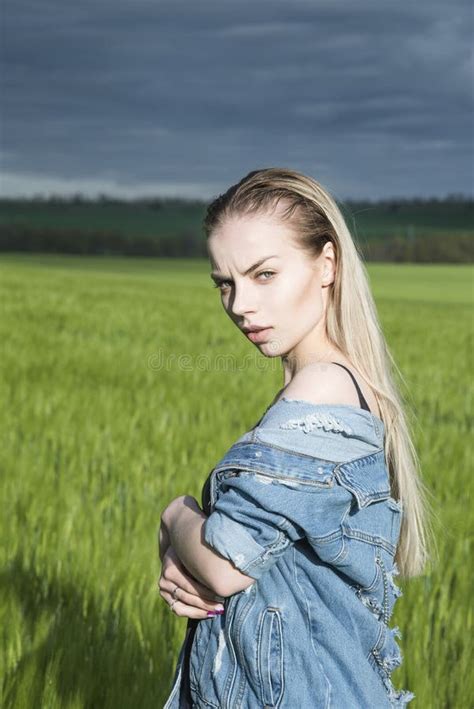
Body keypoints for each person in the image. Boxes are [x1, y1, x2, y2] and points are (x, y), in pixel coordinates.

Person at [158, 168, 434, 708]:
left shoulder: (324, 389)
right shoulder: (328, 386)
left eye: (263, 275)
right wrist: (181, 560)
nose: (239, 305)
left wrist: (174, 515)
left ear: (326, 265)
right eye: (225, 283)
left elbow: (224, 565)